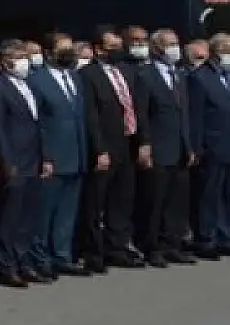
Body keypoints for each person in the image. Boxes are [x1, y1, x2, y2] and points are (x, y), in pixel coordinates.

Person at [79, 27, 144, 271]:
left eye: (119, 47)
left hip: (127, 143)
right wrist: (100, 149)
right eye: (112, 48)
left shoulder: (125, 71)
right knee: (96, 203)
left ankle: (118, 247)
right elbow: (91, 115)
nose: (117, 52)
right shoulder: (89, 75)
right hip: (105, 146)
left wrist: (142, 141)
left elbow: (136, 106)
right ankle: (95, 253)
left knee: (122, 199)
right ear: (99, 50)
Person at [0, 41, 48, 287]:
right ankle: (6, 266)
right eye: (19, 57)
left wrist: (45, 157)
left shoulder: (28, 86)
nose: (25, 61)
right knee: (9, 218)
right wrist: (6, 161)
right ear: (5, 61)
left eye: (26, 56)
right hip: (15, 161)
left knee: (27, 217)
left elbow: (37, 124)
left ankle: (24, 262)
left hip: (33, 159)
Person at [29, 33, 91, 279]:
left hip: (76, 154)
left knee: (67, 212)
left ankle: (62, 256)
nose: (70, 53)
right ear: (49, 52)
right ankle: (41, 257)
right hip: (52, 157)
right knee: (45, 212)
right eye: (63, 49)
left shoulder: (75, 78)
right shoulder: (37, 80)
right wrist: (45, 156)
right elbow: (38, 123)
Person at [133, 28, 192, 266]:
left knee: (177, 201)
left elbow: (184, 113)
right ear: (157, 48)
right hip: (158, 147)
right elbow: (143, 113)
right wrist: (145, 144)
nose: (174, 48)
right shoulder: (145, 75)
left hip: (179, 147)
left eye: (176, 43)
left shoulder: (178, 74)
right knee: (155, 201)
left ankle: (172, 244)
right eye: (169, 44)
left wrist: (189, 145)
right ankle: (152, 246)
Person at [187, 33, 230, 259]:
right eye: (226, 49)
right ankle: (206, 239)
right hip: (211, 145)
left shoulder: (227, 74)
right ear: (214, 51)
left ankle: (225, 237)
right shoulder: (200, 77)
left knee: (227, 195)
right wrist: (196, 147)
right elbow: (195, 116)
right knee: (209, 195)